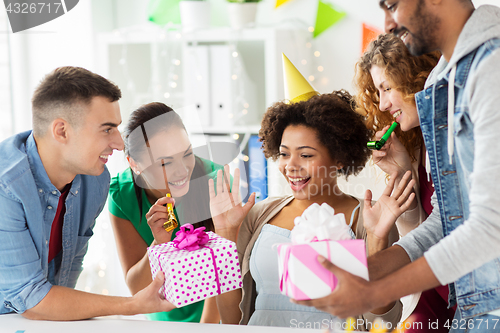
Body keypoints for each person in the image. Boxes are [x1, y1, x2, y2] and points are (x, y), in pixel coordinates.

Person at [294, 1, 500, 331]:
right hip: (474, 307)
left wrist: (372, 289)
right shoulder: (445, 80)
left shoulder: (490, 68)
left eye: (392, 5)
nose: (389, 23)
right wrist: (364, 269)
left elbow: (489, 227)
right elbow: (447, 222)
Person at [210, 89, 416, 330]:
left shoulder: (369, 217)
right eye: (284, 154)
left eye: (305, 155)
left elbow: (383, 323)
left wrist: (377, 240)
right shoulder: (258, 215)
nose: (290, 166)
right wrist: (225, 234)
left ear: (339, 158)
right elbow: (232, 320)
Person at [0, 67, 175, 320]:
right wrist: (133, 305)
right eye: (107, 129)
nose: (119, 142)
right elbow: (32, 299)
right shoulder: (7, 186)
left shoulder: (94, 182)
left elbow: (62, 282)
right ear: (61, 131)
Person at [354, 33, 453, 332]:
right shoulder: (419, 145)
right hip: (437, 299)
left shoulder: (456, 135)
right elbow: (423, 232)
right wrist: (402, 171)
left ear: (417, 79)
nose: (383, 105)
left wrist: (377, 264)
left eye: (386, 88)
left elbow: (447, 226)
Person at [108, 102, 220, 323]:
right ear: (134, 164)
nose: (182, 170)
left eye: (187, 154)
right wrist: (158, 244)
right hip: (162, 316)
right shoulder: (121, 195)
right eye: (165, 162)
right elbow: (136, 287)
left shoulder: (215, 182)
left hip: (216, 317)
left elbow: (223, 278)